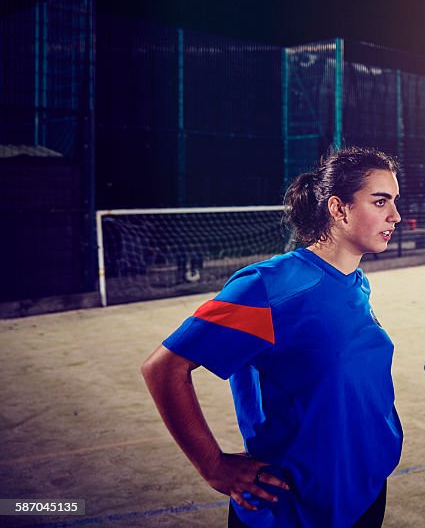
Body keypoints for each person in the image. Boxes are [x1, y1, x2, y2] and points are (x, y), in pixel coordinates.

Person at [141, 147, 404, 528]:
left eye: (394, 201)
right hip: (293, 509)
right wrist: (213, 465)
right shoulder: (269, 287)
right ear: (338, 208)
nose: (394, 215)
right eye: (380, 201)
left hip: (362, 495)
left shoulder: (355, 283)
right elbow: (163, 368)